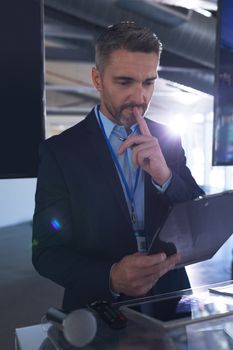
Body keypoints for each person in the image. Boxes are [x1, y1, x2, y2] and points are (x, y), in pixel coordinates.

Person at [32, 22, 204, 312]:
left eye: (148, 82)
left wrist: (165, 177)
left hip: (170, 306)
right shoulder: (60, 152)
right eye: (125, 82)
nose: (139, 98)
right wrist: (110, 276)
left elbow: (199, 219)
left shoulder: (168, 141)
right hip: (99, 312)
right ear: (97, 79)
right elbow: (46, 252)